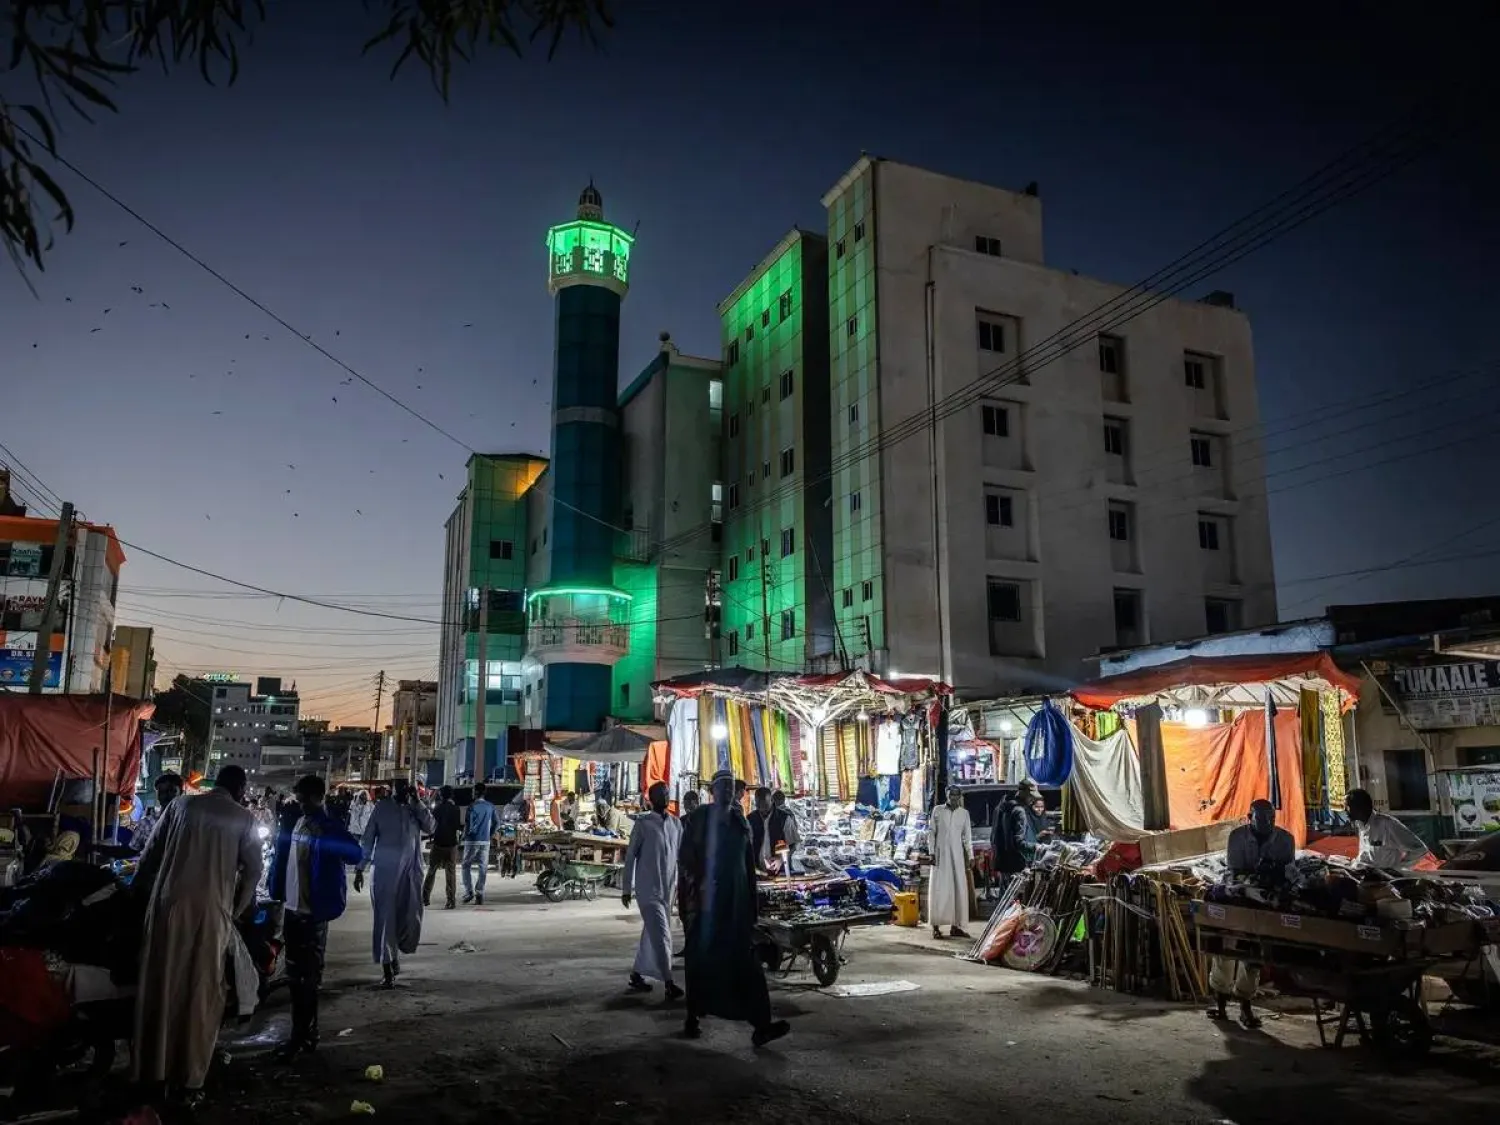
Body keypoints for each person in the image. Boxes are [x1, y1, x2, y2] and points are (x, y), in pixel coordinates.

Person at [133, 765, 262, 1106]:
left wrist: (136, 894)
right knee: (201, 995)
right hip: (210, 914)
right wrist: (234, 911)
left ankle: (152, 1074)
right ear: (241, 787)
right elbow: (253, 873)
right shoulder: (244, 819)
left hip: (166, 906)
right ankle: (189, 1080)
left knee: (161, 987)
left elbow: (149, 855)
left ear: (214, 783)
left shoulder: (181, 806)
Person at [677, 770, 789, 1047]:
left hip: (736, 907)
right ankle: (693, 1016)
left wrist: (753, 905)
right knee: (700, 962)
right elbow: (685, 861)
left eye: (731, 787)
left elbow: (748, 867)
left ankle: (761, 1025)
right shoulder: (699, 819)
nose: (727, 792)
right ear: (713, 791)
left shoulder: (740, 823)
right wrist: (698, 887)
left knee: (748, 968)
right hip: (706, 909)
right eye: (722, 787)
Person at [274, 775, 361, 1060]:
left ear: (316, 798)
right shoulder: (298, 822)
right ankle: (300, 1033)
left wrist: (327, 835)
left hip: (312, 915)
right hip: (292, 909)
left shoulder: (327, 825)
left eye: (303, 800)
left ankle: (304, 1036)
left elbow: (355, 854)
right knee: (294, 978)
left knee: (308, 980)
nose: (299, 805)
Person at [1211, 799, 1296, 1029]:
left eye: (1271, 818)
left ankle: (1245, 1004)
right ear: (1250, 817)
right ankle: (1220, 1000)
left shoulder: (1285, 839)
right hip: (1239, 898)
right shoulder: (1237, 837)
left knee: (1255, 954)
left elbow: (1288, 872)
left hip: (1266, 901)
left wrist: (1273, 876)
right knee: (1226, 947)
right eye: (1262, 818)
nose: (1268, 822)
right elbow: (1235, 870)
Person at [354, 778, 435, 987]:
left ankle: (396, 954)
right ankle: (387, 967)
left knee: (409, 916)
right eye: (399, 788)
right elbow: (368, 837)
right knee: (385, 918)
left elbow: (431, 826)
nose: (402, 792)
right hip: (385, 872)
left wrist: (418, 802)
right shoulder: (382, 808)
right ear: (392, 790)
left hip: (411, 871)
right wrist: (360, 867)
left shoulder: (414, 808)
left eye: (406, 789)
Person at [622, 781, 684, 1000]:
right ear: (651, 798)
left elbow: (681, 857)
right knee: (663, 935)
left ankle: (637, 974)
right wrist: (625, 888)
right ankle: (668, 983)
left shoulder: (676, 825)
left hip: (668, 889)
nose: (665, 797)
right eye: (660, 794)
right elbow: (630, 857)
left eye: (667, 793)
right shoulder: (643, 824)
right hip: (647, 890)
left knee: (652, 933)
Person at [929, 786, 974, 940]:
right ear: (947, 795)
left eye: (956, 795)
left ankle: (956, 927)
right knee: (939, 890)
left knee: (958, 890)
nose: (953, 797)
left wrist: (971, 856)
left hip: (957, 857)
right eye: (950, 795)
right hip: (940, 856)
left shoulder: (964, 814)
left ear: (959, 796)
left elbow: (967, 837)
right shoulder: (938, 810)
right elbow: (931, 833)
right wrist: (931, 853)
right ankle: (936, 927)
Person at [1347, 788, 1429, 869]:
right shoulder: (1360, 825)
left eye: (1347, 806)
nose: (1345, 810)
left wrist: (1398, 869)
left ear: (1360, 807)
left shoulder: (1387, 824)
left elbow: (1420, 849)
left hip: (1383, 879)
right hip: (1365, 874)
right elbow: (1366, 855)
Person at [423, 785, 461, 909]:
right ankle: (451, 900)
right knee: (451, 873)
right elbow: (456, 826)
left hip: (438, 843)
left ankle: (425, 897)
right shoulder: (456, 809)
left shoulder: (437, 809)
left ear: (441, 795)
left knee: (431, 871)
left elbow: (431, 826)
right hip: (451, 844)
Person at [749, 787, 801, 876]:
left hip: (781, 871)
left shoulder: (784, 818)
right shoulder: (750, 819)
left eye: (765, 806)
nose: (762, 810)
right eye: (759, 806)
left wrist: (780, 859)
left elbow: (793, 843)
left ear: (772, 800)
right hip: (757, 872)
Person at [461, 782, 496, 905]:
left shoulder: (472, 806)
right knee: (483, 867)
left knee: (466, 865)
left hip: (472, 840)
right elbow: (497, 823)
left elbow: (468, 824)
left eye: (473, 790)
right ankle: (479, 893)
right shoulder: (490, 806)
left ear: (476, 792)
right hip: (485, 840)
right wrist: (489, 834)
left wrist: (464, 836)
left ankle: (469, 891)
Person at [134, 772, 185, 855]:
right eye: (161, 792)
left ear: (181, 793)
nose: (167, 795)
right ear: (157, 795)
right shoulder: (146, 823)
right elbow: (134, 850)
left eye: (172, 791)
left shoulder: (189, 823)